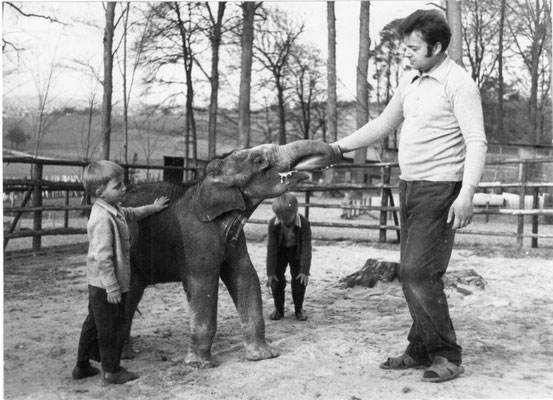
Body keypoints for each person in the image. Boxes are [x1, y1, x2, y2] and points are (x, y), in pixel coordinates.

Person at [304, 9, 487, 383]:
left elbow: (477, 141)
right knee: (410, 273)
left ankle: (447, 354)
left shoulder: (459, 83)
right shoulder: (411, 81)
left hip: (441, 189)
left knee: (420, 271)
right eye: (406, 48)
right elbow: (384, 123)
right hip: (410, 185)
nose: (407, 54)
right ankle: (420, 348)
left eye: (414, 48)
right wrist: (336, 149)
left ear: (437, 47)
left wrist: (466, 194)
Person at [72, 160, 169, 386]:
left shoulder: (112, 209)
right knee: (112, 328)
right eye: (117, 186)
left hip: (98, 283)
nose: (124, 188)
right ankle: (112, 371)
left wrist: (152, 209)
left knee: (94, 323)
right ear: (100, 192)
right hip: (107, 284)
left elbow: (131, 213)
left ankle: (82, 365)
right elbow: (102, 257)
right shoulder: (102, 219)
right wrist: (112, 287)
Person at [266, 193, 312, 322]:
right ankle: (279, 309)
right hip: (280, 253)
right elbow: (272, 248)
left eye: (285, 218)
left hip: (296, 253)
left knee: (299, 281)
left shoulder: (304, 224)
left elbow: (306, 248)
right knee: (276, 280)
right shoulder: (273, 224)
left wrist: (304, 270)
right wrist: (270, 272)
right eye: (279, 217)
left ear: (295, 211)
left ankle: (299, 308)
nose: (282, 221)